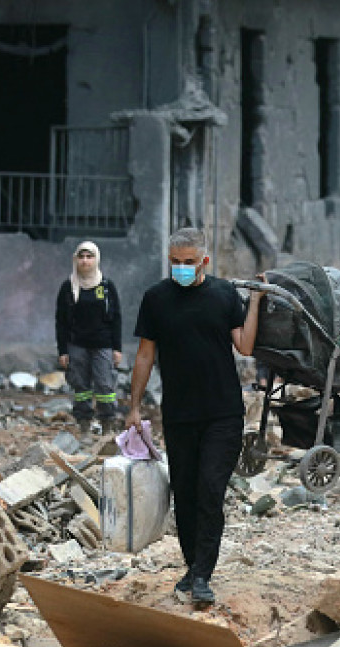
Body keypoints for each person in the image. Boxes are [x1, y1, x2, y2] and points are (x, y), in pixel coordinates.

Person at [125, 227, 264, 607]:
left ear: (204, 261)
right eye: (176, 262)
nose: (182, 268)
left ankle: (202, 573)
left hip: (223, 413)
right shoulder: (156, 299)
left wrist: (253, 304)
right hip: (180, 414)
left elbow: (246, 345)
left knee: (209, 490)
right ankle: (193, 566)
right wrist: (134, 407)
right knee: (184, 494)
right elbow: (144, 355)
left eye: (189, 262)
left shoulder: (223, 295)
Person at [55, 241, 123, 436]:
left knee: (105, 386)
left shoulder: (107, 286)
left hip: (103, 345)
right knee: (81, 386)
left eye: (89, 257)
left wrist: (116, 349)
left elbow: (116, 318)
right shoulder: (68, 287)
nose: (85, 261)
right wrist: (63, 351)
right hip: (77, 345)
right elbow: (60, 321)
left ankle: (107, 426)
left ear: (96, 259)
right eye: (82, 257)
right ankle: (84, 425)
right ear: (76, 260)